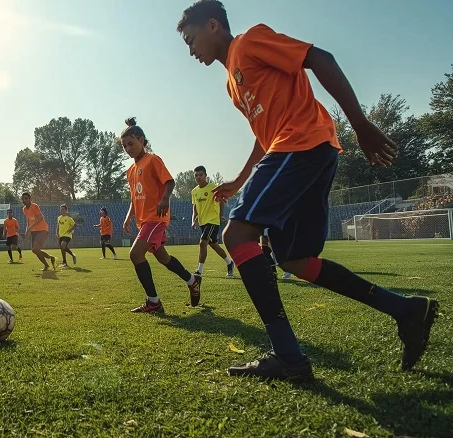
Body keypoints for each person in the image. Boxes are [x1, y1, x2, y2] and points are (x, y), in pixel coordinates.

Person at [176, 0, 438, 379]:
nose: (190, 50)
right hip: (306, 150)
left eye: (191, 39)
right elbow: (264, 136)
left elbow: (320, 58)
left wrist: (361, 125)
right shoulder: (232, 84)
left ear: (213, 25)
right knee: (295, 260)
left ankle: (289, 357)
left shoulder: (249, 42)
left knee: (236, 234)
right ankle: (405, 310)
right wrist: (239, 180)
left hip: (301, 145)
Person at [120, 118, 201, 312]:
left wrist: (165, 199)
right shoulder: (130, 171)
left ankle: (153, 302)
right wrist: (128, 217)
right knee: (163, 257)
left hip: (156, 218)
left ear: (141, 140)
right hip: (144, 221)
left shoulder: (152, 160)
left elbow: (170, 182)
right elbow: (134, 197)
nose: (128, 148)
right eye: (124, 146)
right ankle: (192, 280)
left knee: (135, 254)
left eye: (131, 143)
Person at [191, 165, 234, 277]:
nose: (198, 177)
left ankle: (199, 271)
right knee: (213, 244)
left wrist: (221, 215)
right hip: (202, 222)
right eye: (196, 176)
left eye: (201, 175)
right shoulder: (194, 191)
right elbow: (195, 207)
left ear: (206, 175)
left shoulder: (213, 188)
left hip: (213, 221)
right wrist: (193, 220)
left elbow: (221, 201)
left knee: (202, 243)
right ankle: (229, 262)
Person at [21, 192, 56, 271]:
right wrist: (27, 230)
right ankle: (49, 261)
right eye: (23, 199)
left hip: (42, 229)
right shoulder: (24, 209)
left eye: (26, 198)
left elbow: (40, 217)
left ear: (30, 199)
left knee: (36, 248)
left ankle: (49, 261)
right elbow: (28, 220)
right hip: (34, 231)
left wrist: (30, 227)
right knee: (34, 250)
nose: (24, 200)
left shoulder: (34, 206)